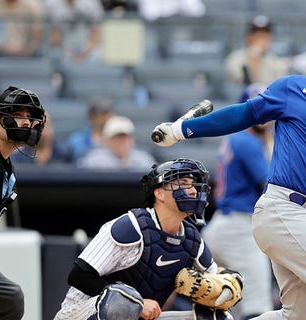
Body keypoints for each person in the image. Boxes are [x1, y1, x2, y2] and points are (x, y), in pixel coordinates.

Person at [153, 26, 306, 319]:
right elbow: (243, 114)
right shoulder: (295, 88)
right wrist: (181, 129)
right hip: (286, 209)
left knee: (298, 317)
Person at [54, 158, 240, 320]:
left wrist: (232, 281)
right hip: (79, 314)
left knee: (217, 316)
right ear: (159, 193)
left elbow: (215, 276)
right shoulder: (131, 226)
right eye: (183, 183)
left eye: (193, 184)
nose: (192, 191)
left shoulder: (192, 240)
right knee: (120, 303)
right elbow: (78, 276)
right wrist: (138, 303)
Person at [201, 83, 275, 320]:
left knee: (227, 306)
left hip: (223, 225)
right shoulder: (248, 141)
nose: (263, 113)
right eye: (257, 108)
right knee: (257, 307)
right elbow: (268, 184)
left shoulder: (239, 138)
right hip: (240, 229)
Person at [0, 86, 46, 319]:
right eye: (18, 116)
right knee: (9, 299)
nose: (26, 122)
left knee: (9, 300)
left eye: (30, 118)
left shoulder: (4, 167)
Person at [224, 15, 290, 86]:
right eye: (257, 36)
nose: (261, 40)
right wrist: (253, 60)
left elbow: (281, 88)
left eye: (265, 36)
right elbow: (238, 82)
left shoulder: (275, 61)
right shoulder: (235, 58)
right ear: (249, 38)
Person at [78, 114, 156, 170]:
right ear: (107, 140)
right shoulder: (94, 160)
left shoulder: (144, 160)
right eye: (118, 138)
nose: (123, 142)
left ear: (132, 139)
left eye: (126, 137)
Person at [64, 98, 114, 163]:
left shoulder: (119, 139)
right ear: (91, 117)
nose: (107, 118)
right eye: (103, 114)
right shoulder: (76, 141)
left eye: (109, 114)